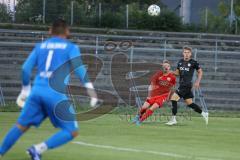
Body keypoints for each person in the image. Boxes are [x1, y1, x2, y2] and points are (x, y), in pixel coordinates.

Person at [0, 19, 97, 160]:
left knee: (20, 126)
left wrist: (25, 90)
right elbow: (79, 68)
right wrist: (90, 90)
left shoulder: (40, 47)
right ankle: (37, 149)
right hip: (55, 95)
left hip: (36, 93)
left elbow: (25, 69)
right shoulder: (70, 47)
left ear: (50, 31)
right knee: (71, 131)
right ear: (67, 32)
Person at [166, 46, 208, 126]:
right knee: (189, 103)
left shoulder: (193, 62)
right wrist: (170, 72)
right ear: (183, 53)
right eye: (185, 52)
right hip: (182, 84)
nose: (186, 54)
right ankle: (204, 113)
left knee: (173, 98)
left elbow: (200, 72)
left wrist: (197, 82)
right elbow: (178, 73)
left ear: (190, 54)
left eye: (188, 53)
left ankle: (173, 119)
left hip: (186, 85)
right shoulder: (180, 62)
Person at [132, 60, 176, 126]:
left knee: (152, 108)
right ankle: (138, 117)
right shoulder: (158, 74)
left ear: (169, 67)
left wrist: (169, 97)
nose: (166, 67)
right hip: (154, 94)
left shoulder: (172, 77)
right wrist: (149, 95)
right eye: (164, 66)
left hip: (163, 96)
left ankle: (140, 121)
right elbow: (152, 85)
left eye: (167, 66)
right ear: (162, 67)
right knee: (144, 107)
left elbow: (172, 88)